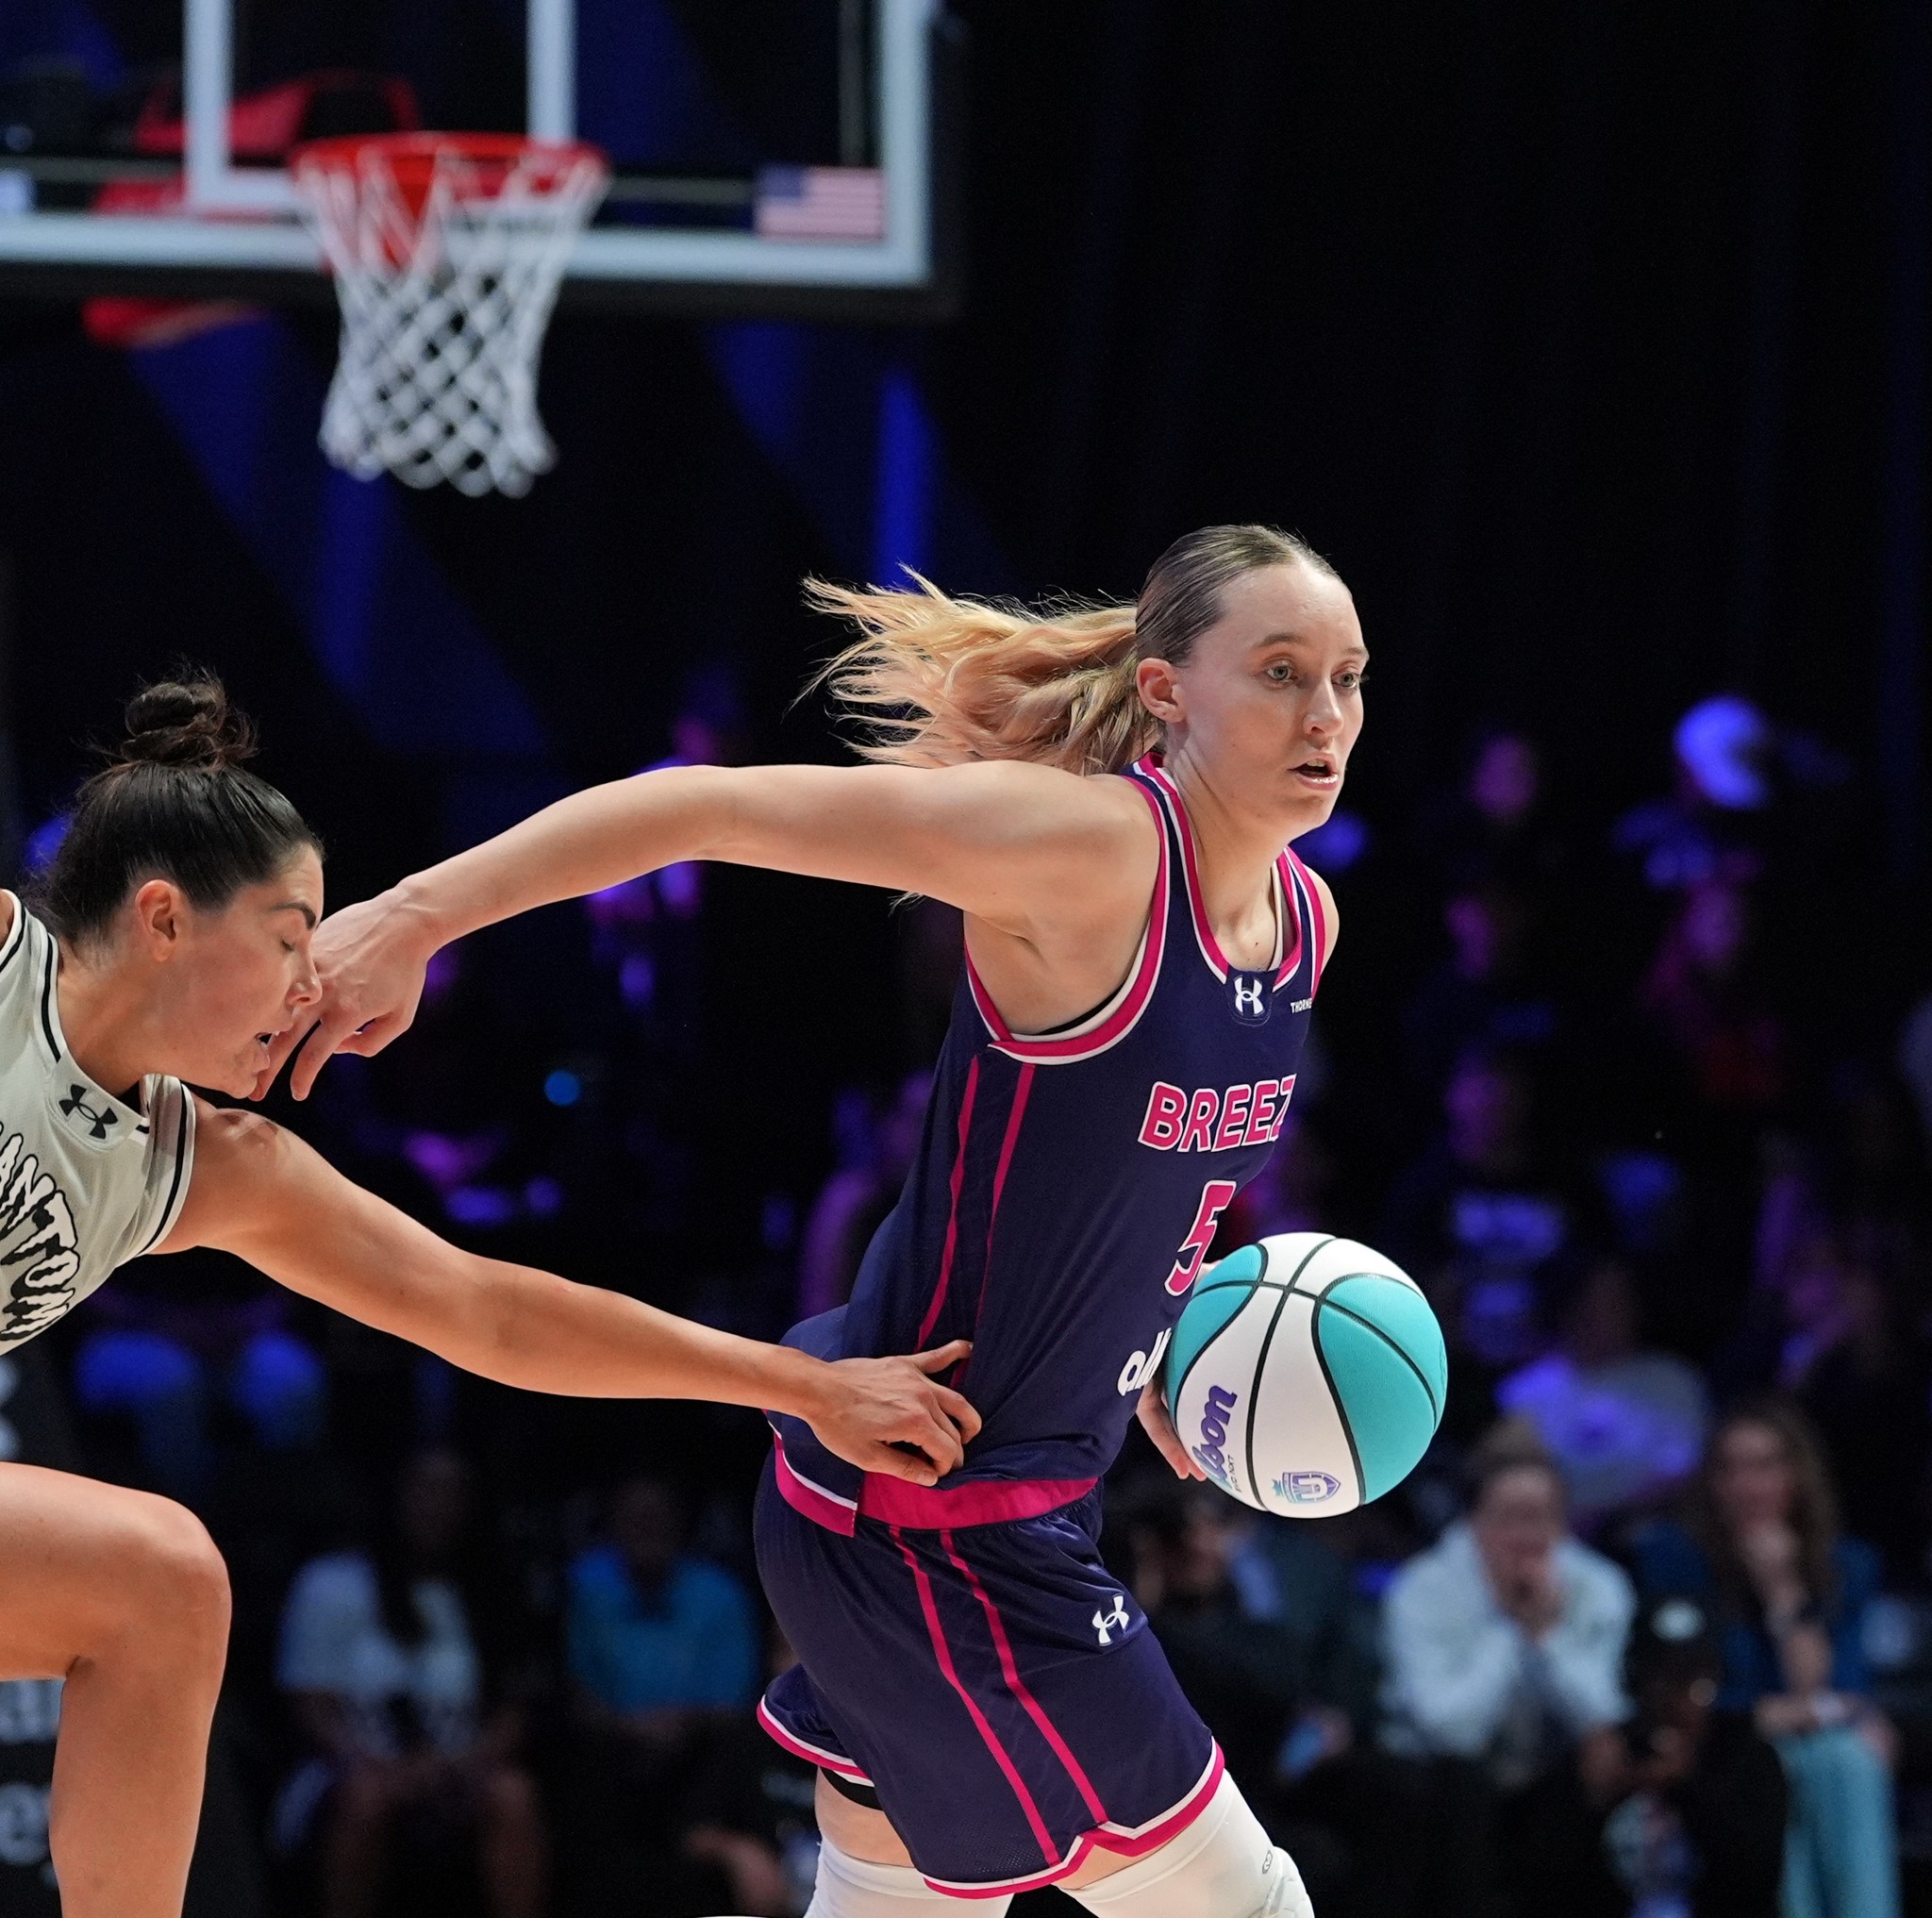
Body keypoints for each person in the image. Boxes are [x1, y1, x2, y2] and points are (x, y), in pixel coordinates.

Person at [268, 522, 1359, 1912]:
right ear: (1164, 693)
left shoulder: (1305, 921)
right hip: (936, 1511)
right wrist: (411, 917)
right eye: (1279, 672)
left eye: (1347, 677)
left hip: (972, 1502)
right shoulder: (1090, 853)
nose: (1325, 716)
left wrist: (1163, 1342)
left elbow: (1170, 1183)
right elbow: (702, 808)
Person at [0, 674, 978, 1918]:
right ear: (164, 918)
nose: (314, 983)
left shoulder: (204, 1167)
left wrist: (805, 1387)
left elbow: (492, 1313)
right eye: (292, 934)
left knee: (163, 1585)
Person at [1630, 1400, 1900, 1918]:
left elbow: (1831, 1688)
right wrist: (1777, 1715)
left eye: (1764, 1465)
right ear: (1710, 1482)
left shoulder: (1847, 1565)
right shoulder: (1674, 1560)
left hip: (1805, 1751)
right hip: (1719, 1757)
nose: (1747, 1486)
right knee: (1780, 1771)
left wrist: (1781, 1590)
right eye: (1730, 1468)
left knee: (1846, 1760)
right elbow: (1685, 1699)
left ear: (1797, 1475)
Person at [1376, 1425, 1635, 1918]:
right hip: (1438, 1780)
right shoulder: (1422, 1589)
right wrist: (1510, 1631)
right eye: (1509, 1519)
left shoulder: (1598, 1585)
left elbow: (1603, 1716)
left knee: (1593, 1775)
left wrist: (1546, 1638)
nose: (1527, 1538)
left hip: (1549, 1777)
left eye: (1541, 1519)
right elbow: (1450, 1732)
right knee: (1459, 1788)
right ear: (1474, 1522)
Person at [275, 1447, 538, 1918]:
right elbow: (312, 1706)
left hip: (460, 1766)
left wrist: (458, 1765)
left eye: (454, 1491)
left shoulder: (489, 1592)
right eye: (425, 1487)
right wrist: (378, 1765)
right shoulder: (332, 1583)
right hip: (355, 1764)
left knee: (513, 1795)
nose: (438, 1504)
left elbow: (510, 1712)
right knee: (367, 1799)